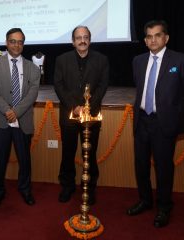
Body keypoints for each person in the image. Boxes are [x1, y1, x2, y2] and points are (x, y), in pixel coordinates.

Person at [126, 20, 184, 227]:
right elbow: (140, 88)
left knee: (164, 168)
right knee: (141, 165)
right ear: (145, 41)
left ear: (166, 38)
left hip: (164, 123)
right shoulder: (137, 61)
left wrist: (174, 112)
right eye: (148, 36)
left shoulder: (180, 60)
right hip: (142, 120)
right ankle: (145, 201)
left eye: (157, 35)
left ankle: (164, 207)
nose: (152, 39)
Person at [54, 26, 109, 205]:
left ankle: (90, 188)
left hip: (91, 117)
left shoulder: (102, 60)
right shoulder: (62, 60)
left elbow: (102, 86)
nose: (82, 40)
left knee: (90, 155)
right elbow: (59, 85)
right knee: (67, 154)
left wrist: (87, 108)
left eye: (86, 37)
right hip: (69, 116)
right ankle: (67, 187)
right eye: (79, 37)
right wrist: (74, 107)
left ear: (90, 40)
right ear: (73, 41)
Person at [0, 28, 40, 209]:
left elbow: (32, 94)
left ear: (23, 44)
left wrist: (16, 112)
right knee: (0, 159)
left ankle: (25, 190)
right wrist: (7, 110)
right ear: (6, 42)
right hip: (0, 120)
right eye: (13, 41)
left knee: (25, 159)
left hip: (22, 119)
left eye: (20, 42)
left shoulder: (33, 68)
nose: (16, 45)